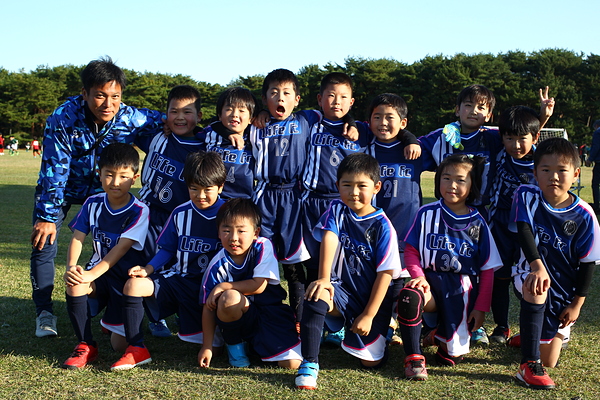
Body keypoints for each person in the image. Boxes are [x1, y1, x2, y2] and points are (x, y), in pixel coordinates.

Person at [30, 56, 163, 338]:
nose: (108, 104)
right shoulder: (63, 117)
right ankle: (44, 313)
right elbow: (54, 169)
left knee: (132, 243)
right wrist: (46, 216)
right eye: (100, 96)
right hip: (65, 189)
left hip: (107, 188)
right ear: (85, 93)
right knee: (44, 242)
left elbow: (176, 118)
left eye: (115, 96)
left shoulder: (131, 117)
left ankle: (146, 308)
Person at [418, 84, 554, 345]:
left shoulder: (492, 138)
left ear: (489, 114)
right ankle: (435, 322)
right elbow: (415, 145)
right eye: (467, 105)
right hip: (448, 217)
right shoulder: (443, 136)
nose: (473, 111)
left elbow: (523, 133)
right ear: (457, 109)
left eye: (481, 107)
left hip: (483, 217)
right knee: (443, 266)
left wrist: (543, 117)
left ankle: (483, 324)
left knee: (486, 271)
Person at [294, 153, 402, 390]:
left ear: (376, 187)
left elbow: (386, 275)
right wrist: (323, 279)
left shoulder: (383, 226)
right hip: (340, 291)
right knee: (317, 293)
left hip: (369, 300)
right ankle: (309, 363)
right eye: (347, 185)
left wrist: (369, 315)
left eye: (361, 186)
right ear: (337, 186)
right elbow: (329, 237)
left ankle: (382, 332)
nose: (354, 192)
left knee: (369, 363)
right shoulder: (337, 209)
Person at [111, 151, 226, 371]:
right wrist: (148, 268)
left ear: (220, 186)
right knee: (132, 290)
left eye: (207, 190)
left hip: (210, 289)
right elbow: (168, 249)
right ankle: (136, 348)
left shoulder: (229, 213)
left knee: (217, 352)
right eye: (194, 189)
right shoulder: (180, 212)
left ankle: (223, 335)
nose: (200, 196)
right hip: (178, 281)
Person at [397, 154, 501, 380]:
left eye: (461, 180)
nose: (452, 185)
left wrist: (481, 308)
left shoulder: (478, 221)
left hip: (460, 289)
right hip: (430, 283)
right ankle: (414, 357)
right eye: (446, 178)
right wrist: (418, 276)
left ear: (473, 184)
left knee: (450, 359)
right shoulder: (426, 213)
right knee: (409, 296)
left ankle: (440, 336)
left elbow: (487, 268)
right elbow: (412, 250)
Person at [509, 137, 600, 390]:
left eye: (562, 170)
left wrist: (577, 304)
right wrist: (537, 265)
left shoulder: (585, 215)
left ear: (576, 174)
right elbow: (524, 229)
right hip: (529, 272)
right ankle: (528, 365)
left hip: (565, 289)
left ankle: (530, 336)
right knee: (537, 284)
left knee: (551, 361)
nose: (554, 177)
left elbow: (587, 263)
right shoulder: (526, 195)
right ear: (535, 173)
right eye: (546, 170)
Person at [60, 143, 148, 369]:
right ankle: (85, 345)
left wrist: (90, 275)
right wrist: (72, 267)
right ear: (99, 174)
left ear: (135, 178)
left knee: (119, 345)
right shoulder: (93, 203)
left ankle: (119, 320)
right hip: (98, 275)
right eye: (109, 175)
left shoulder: (139, 210)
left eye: (123, 176)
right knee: (75, 284)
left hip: (124, 280)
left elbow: (119, 250)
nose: (115, 182)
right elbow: (78, 237)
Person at [248, 68, 323, 327]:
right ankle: (263, 313)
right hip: (265, 194)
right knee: (261, 255)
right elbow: (224, 127)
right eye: (274, 93)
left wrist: (349, 124)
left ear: (297, 99)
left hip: (295, 196)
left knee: (294, 260)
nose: (280, 97)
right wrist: (255, 114)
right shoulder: (255, 124)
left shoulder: (307, 119)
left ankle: (300, 318)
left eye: (286, 93)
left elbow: (340, 116)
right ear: (265, 98)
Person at [198, 198, 302, 369]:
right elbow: (208, 308)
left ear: (255, 232)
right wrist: (207, 346)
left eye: (241, 231)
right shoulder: (217, 265)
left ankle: (255, 345)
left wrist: (223, 286)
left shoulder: (263, 246)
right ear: (218, 232)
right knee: (229, 298)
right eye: (226, 230)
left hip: (270, 315)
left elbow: (258, 286)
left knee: (291, 364)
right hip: (241, 317)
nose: (233, 238)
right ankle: (235, 345)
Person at [138, 84, 205, 337]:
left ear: (199, 116)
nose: (179, 117)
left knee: (181, 267)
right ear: (164, 115)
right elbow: (126, 117)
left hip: (184, 218)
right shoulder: (157, 136)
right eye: (173, 111)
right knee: (148, 262)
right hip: (152, 212)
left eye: (187, 112)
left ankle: (179, 311)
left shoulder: (206, 144)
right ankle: (155, 316)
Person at [487, 106, 541, 344]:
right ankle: (501, 326)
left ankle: (531, 328)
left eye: (522, 140)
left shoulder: (542, 160)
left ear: (535, 138)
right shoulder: (500, 153)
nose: (516, 145)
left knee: (528, 280)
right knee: (499, 279)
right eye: (510, 139)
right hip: (499, 225)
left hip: (528, 230)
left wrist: (543, 116)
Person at [203, 87, 257, 200]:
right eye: (229, 109)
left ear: (251, 118)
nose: (234, 114)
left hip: (245, 202)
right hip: (214, 201)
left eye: (242, 110)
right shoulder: (211, 133)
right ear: (219, 115)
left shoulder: (256, 137)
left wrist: (263, 113)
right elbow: (189, 131)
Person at [586, 119, 600, 213]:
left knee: (595, 184)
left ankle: (597, 205)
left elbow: (596, 146)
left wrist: (590, 158)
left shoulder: (598, 133)